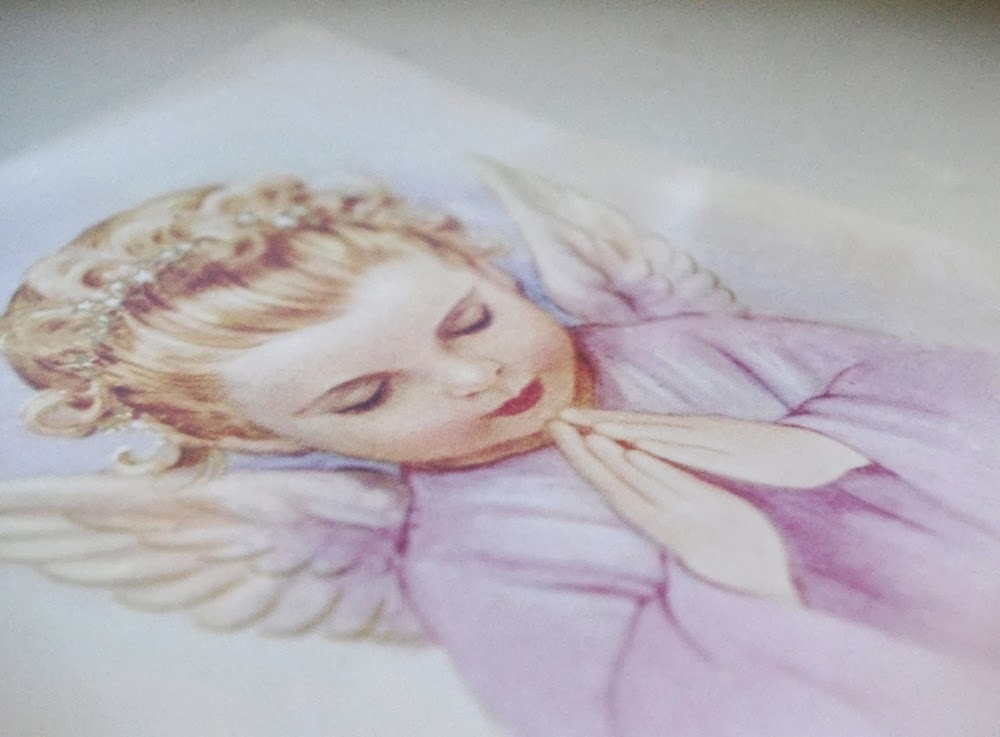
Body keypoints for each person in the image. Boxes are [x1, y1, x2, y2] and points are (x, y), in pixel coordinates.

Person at [1, 166, 998, 737]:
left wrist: (822, 456)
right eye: (369, 395)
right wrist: (725, 573)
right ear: (258, 436)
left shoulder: (690, 348)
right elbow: (620, 710)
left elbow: (960, 394)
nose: (473, 376)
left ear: (484, 266)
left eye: (471, 319)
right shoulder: (471, 554)